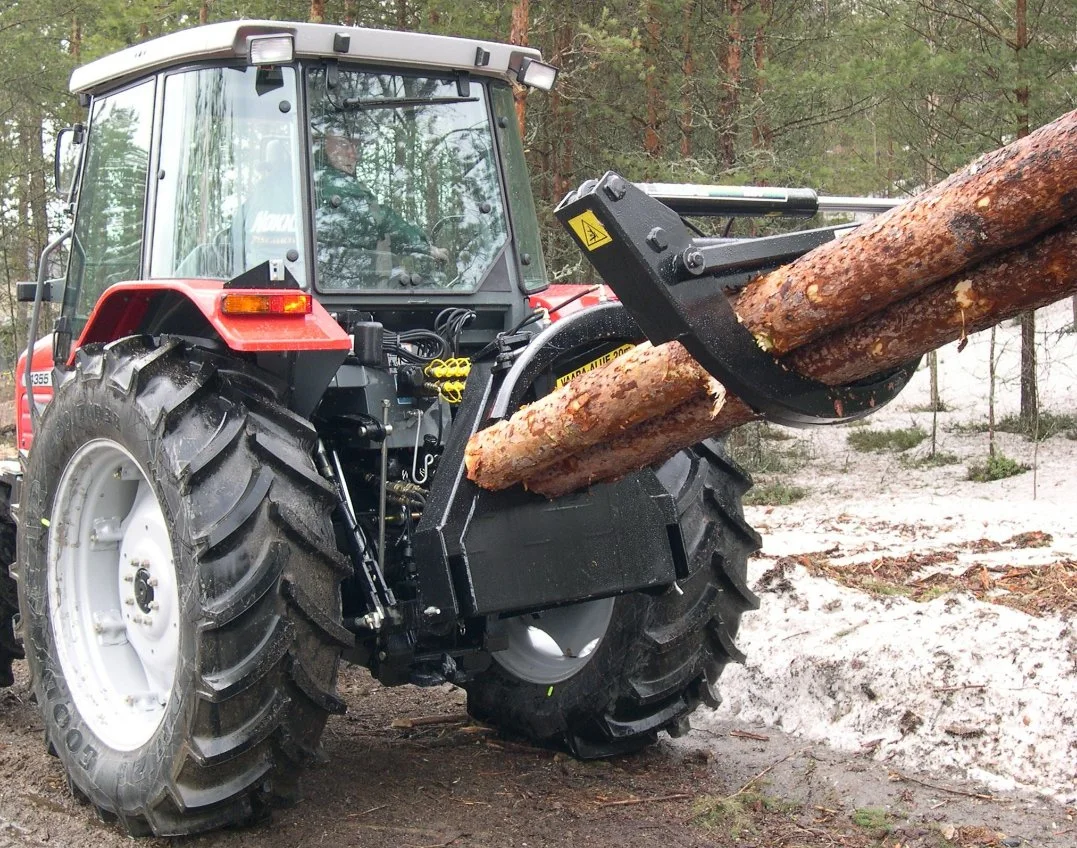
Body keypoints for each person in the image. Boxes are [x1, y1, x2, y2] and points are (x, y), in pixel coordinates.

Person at [315, 132, 448, 288]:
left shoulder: (336, 182)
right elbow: (378, 218)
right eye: (344, 145)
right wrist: (423, 246)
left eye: (356, 146)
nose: (353, 154)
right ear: (325, 146)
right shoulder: (332, 183)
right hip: (338, 275)